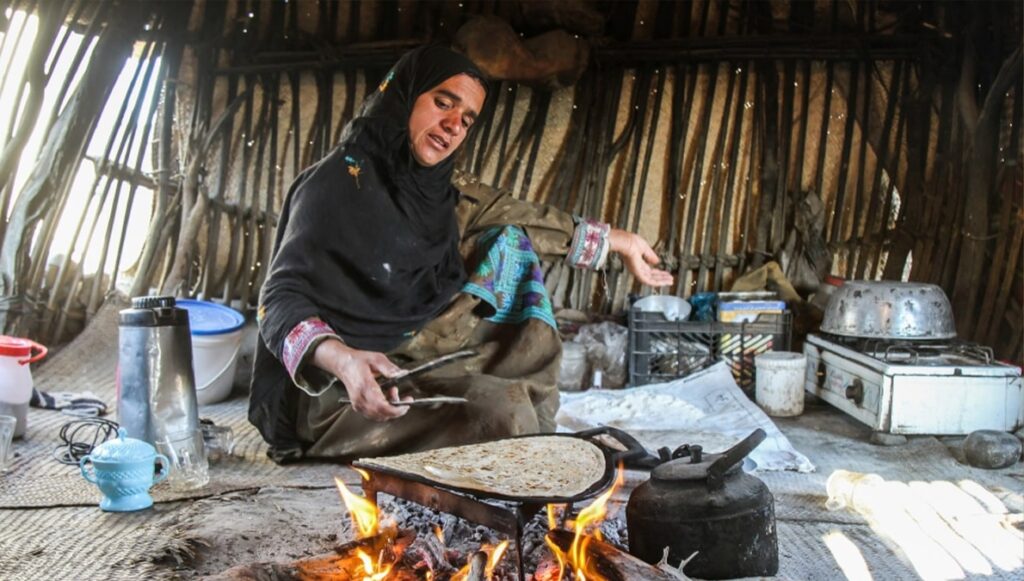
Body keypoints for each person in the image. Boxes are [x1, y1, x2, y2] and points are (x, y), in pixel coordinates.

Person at [249, 45, 672, 464]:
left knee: (511, 242)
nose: (452, 125)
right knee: (502, 418)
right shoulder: (336, 184)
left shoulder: (445, 191)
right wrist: (342, 360)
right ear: (404, 96)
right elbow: (278, 300)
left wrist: (624, 242)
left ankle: (520, 427)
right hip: (340, 391)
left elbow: (527, 216)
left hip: (408, 367)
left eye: (467, 119)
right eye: (442, 103)